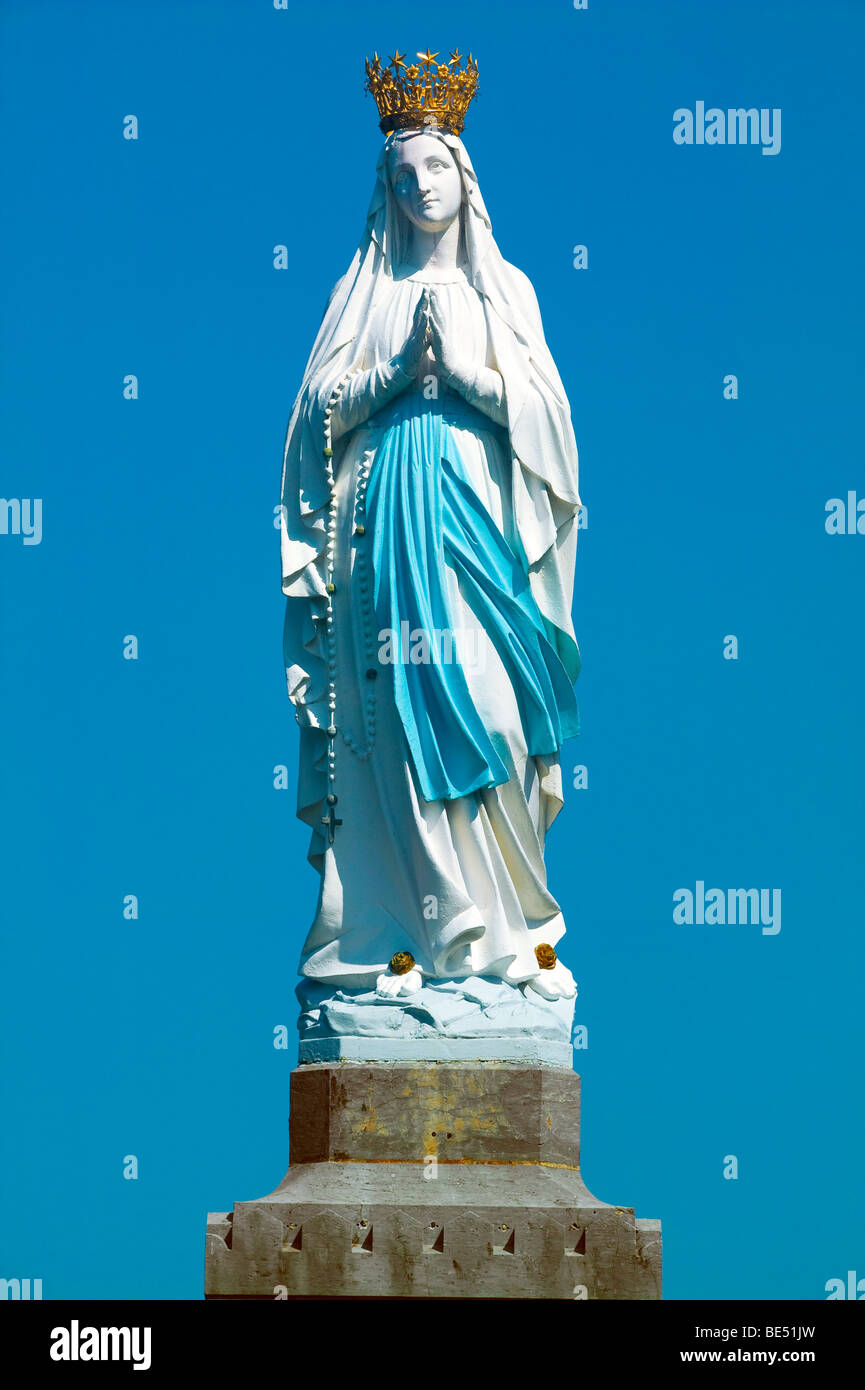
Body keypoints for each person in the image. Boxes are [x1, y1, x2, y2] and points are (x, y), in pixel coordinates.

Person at [279, 107, 583, 1038]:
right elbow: (308, 430)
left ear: (464, 177)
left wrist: (462, 377)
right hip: (383, 523)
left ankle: (504, 937)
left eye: (433, 169)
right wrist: (389, 378)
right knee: (398, 717)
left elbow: (554, 438)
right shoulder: (359, 296)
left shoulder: (508, 294)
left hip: (476, 516)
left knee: (491, 707)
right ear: (387, 191)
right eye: (402, 175)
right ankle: (424, 926)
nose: (420, 188)